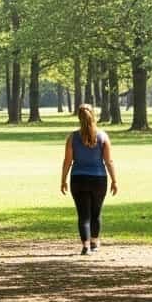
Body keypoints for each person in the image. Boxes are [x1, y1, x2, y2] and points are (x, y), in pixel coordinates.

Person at [60, 104, 117, 255]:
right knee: (96, 214)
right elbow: (108, 161)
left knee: (83, 215)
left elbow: (67, 161)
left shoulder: (72, 137)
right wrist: (114, 181)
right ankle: (94, 243)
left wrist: (63, 180)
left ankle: (85, 246)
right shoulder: (103, 136)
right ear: (94, 116)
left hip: (78, 179)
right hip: (99, 179)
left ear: (79, 117)